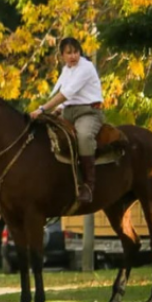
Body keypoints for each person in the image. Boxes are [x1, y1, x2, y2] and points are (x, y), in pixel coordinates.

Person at [30, 37, 103, 204]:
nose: (73, 56)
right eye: (69, 53)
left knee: (84, 137)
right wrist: (57, 111)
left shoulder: (86, 67)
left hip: (88, 112)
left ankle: (88, 185)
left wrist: (42, 109)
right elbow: (66, 98)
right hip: (68, 112)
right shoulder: (67, 70)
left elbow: (65, 94)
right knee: (46, 133)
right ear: (62, 55)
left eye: (76, 52)